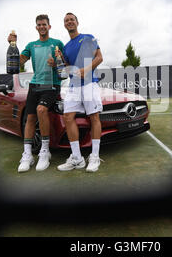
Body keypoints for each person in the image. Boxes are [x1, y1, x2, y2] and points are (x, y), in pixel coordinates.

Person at [8, 14, 65, 173]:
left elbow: (65, 67)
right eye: (39, 25)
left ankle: (45, 152)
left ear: (49, 26)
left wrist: (55, 64)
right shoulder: (32, 45)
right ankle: (27, 155)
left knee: (41, 110)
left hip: (52, 84)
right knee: (30, 117)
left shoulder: (57, 43)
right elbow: (18, 62)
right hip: (34, 85)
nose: (42, 27)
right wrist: (13, 44)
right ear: (36, 27)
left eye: (44, 24)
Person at [57, 12, 104, 173]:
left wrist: (87, 69)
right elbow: (65, 70)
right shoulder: (65, 47)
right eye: (66, 21)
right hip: (73, 86)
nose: (69, 22)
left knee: (94, 117)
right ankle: (77, 158)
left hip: (90, 83)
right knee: (68, 116)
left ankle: (95, 156)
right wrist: (57, 62)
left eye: (72, 19)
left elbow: (99, 57)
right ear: (64, 25)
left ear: (77, 22)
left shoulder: (88, 37)